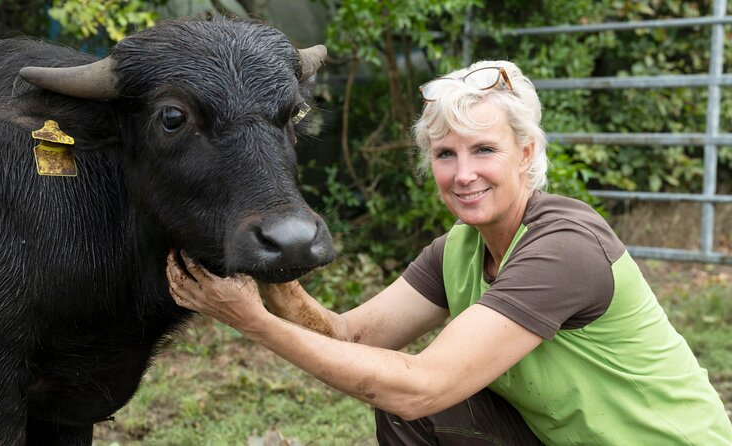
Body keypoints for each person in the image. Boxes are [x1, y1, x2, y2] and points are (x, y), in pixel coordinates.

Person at [166, 60, 732, 445]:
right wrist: (279, 282)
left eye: (484, 149)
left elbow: (424, 386)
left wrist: (254, 323)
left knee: (414, 393)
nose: (463, 175)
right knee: (410, 400)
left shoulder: (564, 248)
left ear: (526, 152)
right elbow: (353, 338)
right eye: (444, 154)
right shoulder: (458, 251)